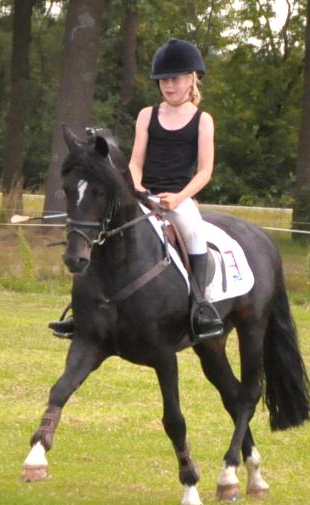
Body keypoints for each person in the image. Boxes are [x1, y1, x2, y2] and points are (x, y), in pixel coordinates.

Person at [49, 38, 223, 340]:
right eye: (163, 80)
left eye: (175, 79)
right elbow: (136, 161)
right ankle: (81, 310)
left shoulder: (202, 121)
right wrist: (137, 187)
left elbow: (205, 170)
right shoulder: (148, 114)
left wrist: (179, 197)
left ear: (192, 78)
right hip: (144, 192)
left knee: (195, 233)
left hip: (179, 198)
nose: (168, 85)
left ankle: (201, 307)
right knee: (106, 233)